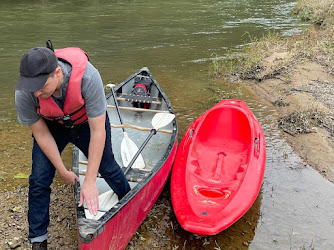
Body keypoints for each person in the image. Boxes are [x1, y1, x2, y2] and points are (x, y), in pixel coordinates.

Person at [15, 41, 130, 249]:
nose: (36, 94)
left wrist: (90, 181)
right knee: (39, 179)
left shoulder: (88, 77)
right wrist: (62, 170)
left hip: (87, 124)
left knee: (108, 167)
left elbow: (98, 131)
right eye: (32, 89)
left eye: (41, 88)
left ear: (57, 72)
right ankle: (38, 239)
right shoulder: (25, 93)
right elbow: (41, 134)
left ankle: (129, 202)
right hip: (52, 126)